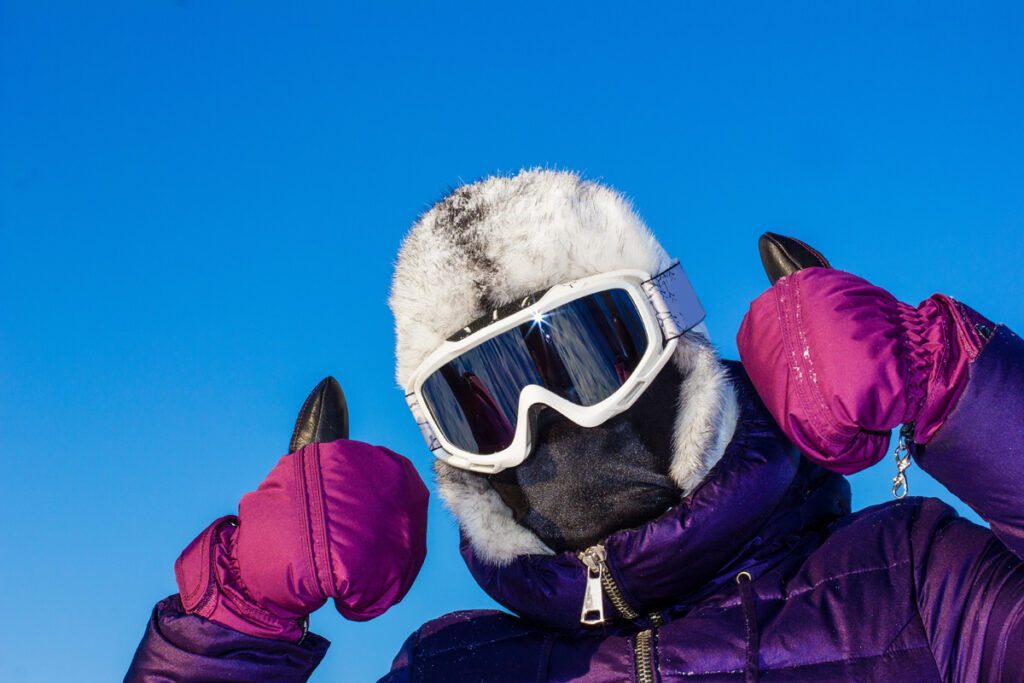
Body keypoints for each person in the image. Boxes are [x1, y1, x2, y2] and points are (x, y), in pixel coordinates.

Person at [126, 170, 1023, 682]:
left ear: (674, 342)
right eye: (481, 404)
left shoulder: (909, 580)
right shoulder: (453, 669)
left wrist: (961, 389)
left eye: (590, 355)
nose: (545, 420)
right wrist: (236, 620)